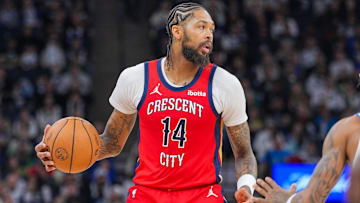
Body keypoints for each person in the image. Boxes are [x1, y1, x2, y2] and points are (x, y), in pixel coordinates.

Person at [35, 2, 257, 203]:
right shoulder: (136, 78)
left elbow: (244, 153)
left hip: (201, 195)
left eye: (211, 29)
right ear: (176, 31)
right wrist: (61, 152)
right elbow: (112, 142)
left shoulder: (225, 84)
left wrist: (246, 187)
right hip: (147, 194)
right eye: (201, 27)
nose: (209, 34)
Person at [252, 113, 360, 203]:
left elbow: (313, 198)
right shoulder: (346, 131)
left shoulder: (345, 130)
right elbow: (313, 197)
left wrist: (289, 200)